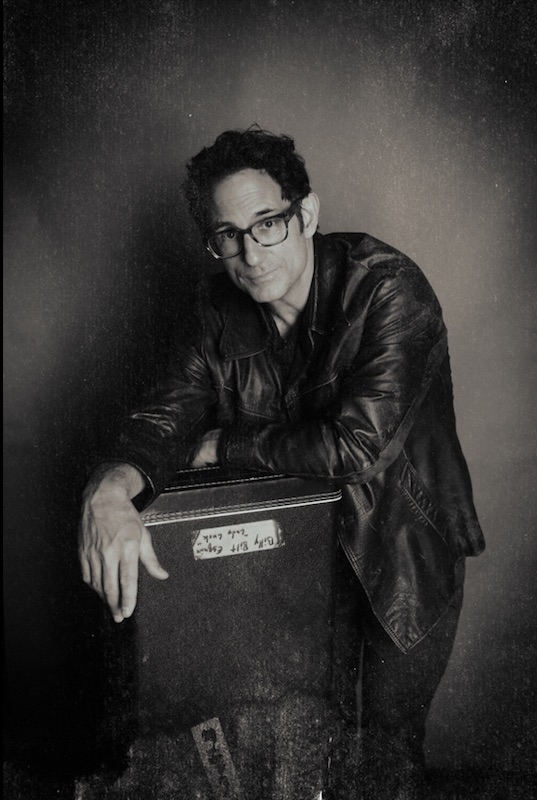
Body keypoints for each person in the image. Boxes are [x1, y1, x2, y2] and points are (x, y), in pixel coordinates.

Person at [79, 127, 484, 799]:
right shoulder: (217, 308)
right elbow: (161, 421)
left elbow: (354, 447)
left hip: (398, 557)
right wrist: (109, 491)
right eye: (227, 234)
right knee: (279, 758)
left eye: (265, 223)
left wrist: (222, 446)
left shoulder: (386, 289)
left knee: (381, 762)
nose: (249, 251)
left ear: (307, 215)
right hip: (287, 569)